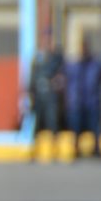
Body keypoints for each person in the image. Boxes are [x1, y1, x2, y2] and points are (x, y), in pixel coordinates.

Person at [28, 28, 66, 161]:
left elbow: (62, 73)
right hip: (39, 94)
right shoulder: (38, 57)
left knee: (52, 122)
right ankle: (34, 150)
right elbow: (32, 76)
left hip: (50, 94)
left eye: (49, 39)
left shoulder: (56, 57)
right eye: (45, 39)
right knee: (37, 124)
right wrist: (30, 92)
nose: (46, 42)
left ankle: (54, 149)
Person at [66, 37, 101, 158]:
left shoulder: (95, 64)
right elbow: (70, 81)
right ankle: (76, 149)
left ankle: (96, 148)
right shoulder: (75, 65)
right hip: (78, 101)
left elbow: (100, 79)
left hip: (92, 101)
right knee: (76, 127)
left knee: (95, 127)